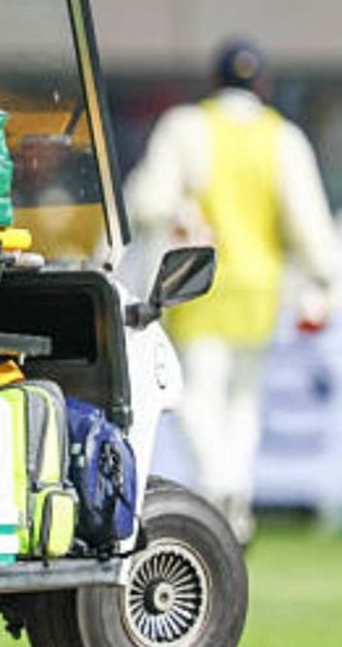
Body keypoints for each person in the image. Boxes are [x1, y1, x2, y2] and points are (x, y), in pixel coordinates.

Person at [126, 37, 339, 542]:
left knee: (198, 397)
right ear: (262, 85)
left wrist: (180, 213)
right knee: (243, 404)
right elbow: (309, 224)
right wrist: (326, 280)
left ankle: (219, 489)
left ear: (214, 80)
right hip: (260, 291)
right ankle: (236, 502)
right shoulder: (282, 137)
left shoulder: (186, 126)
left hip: (201, 284)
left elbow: (146, 199)